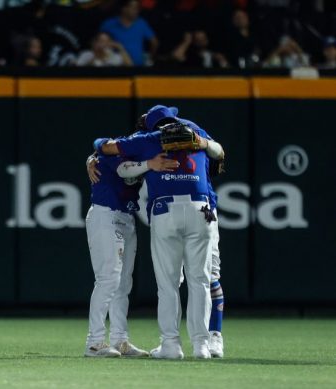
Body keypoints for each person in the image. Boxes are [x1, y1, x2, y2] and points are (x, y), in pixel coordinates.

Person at [87, 108, 226, 358]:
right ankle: (202, 345)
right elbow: (220, 151)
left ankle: (170, 345)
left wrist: (98, 152)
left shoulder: (148, 139)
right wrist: (202, 143)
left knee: (166, 283)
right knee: (200, 280)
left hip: (165, 210)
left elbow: (105, 146)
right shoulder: (195, 132)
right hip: (200, 208)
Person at [84, 137, 178, 358]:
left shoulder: (144, 153)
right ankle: (94, 341)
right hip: (105, 214)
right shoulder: (115, 150)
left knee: (124, 282)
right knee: (108, 279)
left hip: (126, 217)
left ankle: (120, 340)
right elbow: (123, 169)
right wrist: (148, 165)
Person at [100, 0, 158, 66]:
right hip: (116, 67)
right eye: (134, 8)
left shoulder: (141, 23)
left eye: (138, 8)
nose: (137, 11)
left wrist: (150, 58)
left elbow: (155, 43)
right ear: (124, 8)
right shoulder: (108, 24)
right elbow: (99, 43)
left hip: (138, 68)